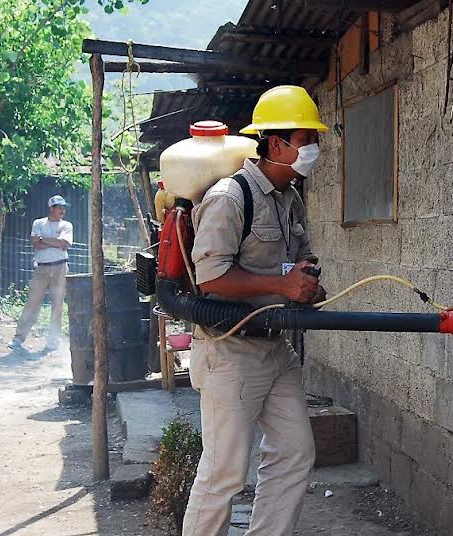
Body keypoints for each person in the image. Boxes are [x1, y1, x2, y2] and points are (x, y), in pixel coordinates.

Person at [183, 85, 328, 536]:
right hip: (230, 351)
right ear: (277, 143)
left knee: (295, 452)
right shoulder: (230, 197)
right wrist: (280, 284)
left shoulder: (290, 199)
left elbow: (293, 262)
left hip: (274, 349)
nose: (313, 150)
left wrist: (303, 284)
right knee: (225, 473)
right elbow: (211, 278)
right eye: (306, 141)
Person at [9, 195, 73, 352]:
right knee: (32, 302)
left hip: (60, 267)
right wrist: (54, 242)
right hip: (41, 268)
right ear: (51, 208)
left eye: (63, 207)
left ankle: (53, 339)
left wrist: (43, 239)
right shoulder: (38, 222)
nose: (62, 210)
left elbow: (64, 244)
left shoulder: (67, 225)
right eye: (59, 207)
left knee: (57, 304)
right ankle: (18, 338)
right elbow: (36, 244)